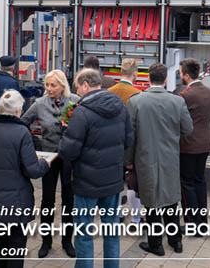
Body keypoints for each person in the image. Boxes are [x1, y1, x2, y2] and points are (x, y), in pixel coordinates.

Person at [59, 68, 134, 267]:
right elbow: (129, 140)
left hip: (86, 184)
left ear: (85, 85)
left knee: (84, 234)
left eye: (78, 87)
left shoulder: (81, 112)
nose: (78, 92)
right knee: (111, 232)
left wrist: (64, 135)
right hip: (113, 181)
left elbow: (68, 151)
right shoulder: (120, 107)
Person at [0, 90, 49, 268]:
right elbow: (33, 170)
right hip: (16, 203)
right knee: (15, 248)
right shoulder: (22, 132)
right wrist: (45, 164)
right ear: (17, 111)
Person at [126, 63, 193, 256]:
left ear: (148, 78)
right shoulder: (177, 101)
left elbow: (130, 136)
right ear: (165, 80)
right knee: (171, 201)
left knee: (151, 202)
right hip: (170, 158)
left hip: (144, 158)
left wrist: (128, 161)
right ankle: (176, 242)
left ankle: (155, 244)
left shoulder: (136, 101)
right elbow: (188, 129)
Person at [21, 69, 79, 258]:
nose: (49, 88)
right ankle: (46, 241)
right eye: (47, 84)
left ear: (63, 86)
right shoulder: (39, 104)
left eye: (53, 85)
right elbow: (22, 123)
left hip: (69, 157)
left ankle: (66, 240)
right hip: (48, 156)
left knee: (69, 201)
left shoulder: (75, 101)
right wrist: (35, 143)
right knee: (47, 199)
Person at [177, 58, 210, 230]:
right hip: (205, 143)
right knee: (200, 181)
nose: (179, 76)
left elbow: (179, 121)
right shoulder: (209, 92)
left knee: (187, 183)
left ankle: (191, 223)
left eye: (180, 73)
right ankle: (202, 221)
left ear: (186, 75)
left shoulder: (185, 95)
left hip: (188, 144)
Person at [107, 58, 141, 223]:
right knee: (133, 182)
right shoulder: (137, 94)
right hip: (129, 144)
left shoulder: (110, 90)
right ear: (134, 73)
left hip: (111, 143)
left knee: (115, 181)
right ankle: (136, 218)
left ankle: (117, 214)